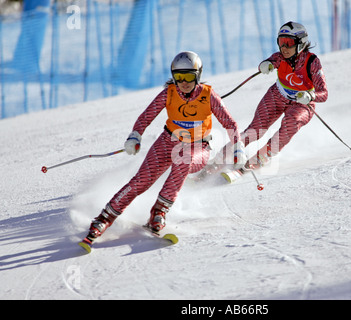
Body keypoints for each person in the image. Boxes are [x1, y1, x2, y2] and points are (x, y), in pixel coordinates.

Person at [80, 51, 246, 247]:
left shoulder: (209, 96)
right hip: (168, 141)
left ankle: (159, 212)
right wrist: (135, 135)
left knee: (183, 161)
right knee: (141, 181)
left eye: (189, 77)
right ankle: (103, 219)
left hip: (198, 147)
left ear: (198, 75)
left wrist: (238, 147)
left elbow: (230, 124)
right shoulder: (169, 93)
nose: (183, 82)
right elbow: (146, 116)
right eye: (179, 77)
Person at [204, 21, 328, 181]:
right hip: (278, 95)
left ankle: (252, 163)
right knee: (255, 130)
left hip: (301, 103)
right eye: (281, 42)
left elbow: (324, 94)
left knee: (290, 125)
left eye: (289, 43)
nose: (284, 48)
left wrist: (310, 96)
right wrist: (265, 65)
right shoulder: (280, 57)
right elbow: (270, 61)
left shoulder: (312, 62)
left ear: (301, 43)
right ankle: (217, 162)